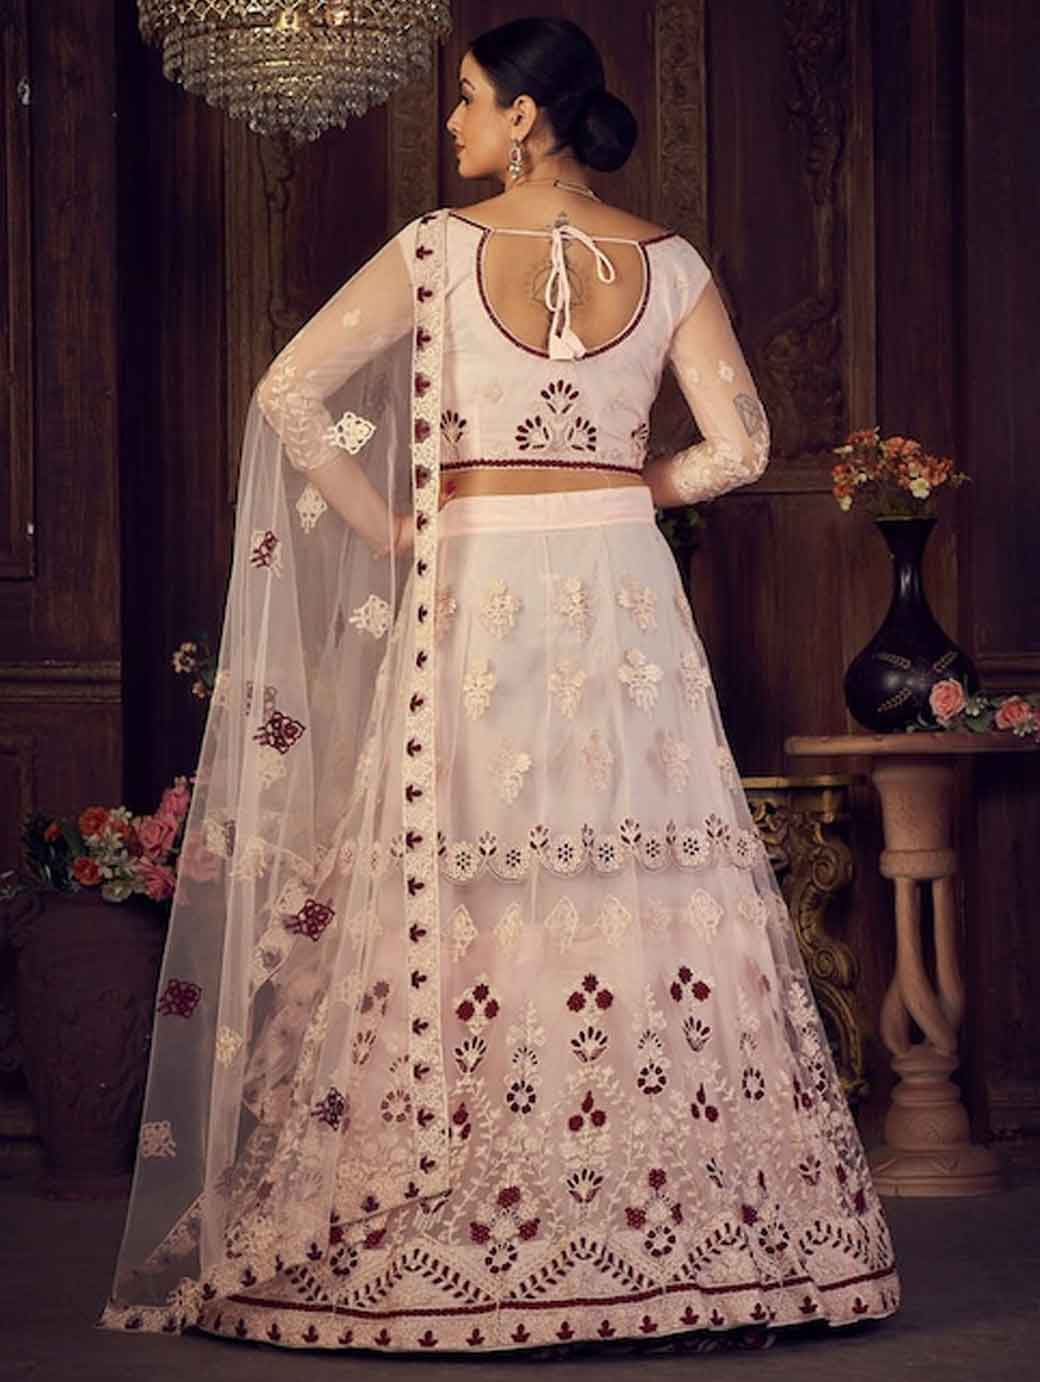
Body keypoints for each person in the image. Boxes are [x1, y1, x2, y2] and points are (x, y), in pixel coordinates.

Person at [100, 16, 899, 1356]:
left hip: (477, 589)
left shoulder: (434, 250)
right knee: (634, 868)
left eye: (469, 99)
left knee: (470, 868)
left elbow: (290, 393)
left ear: (525, 116)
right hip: (622, 593)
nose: (456, 123)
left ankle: (468, 1201)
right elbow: (744, 445)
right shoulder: (672, 260)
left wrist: (390, 526)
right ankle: (677, 1232)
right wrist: (629, 491)